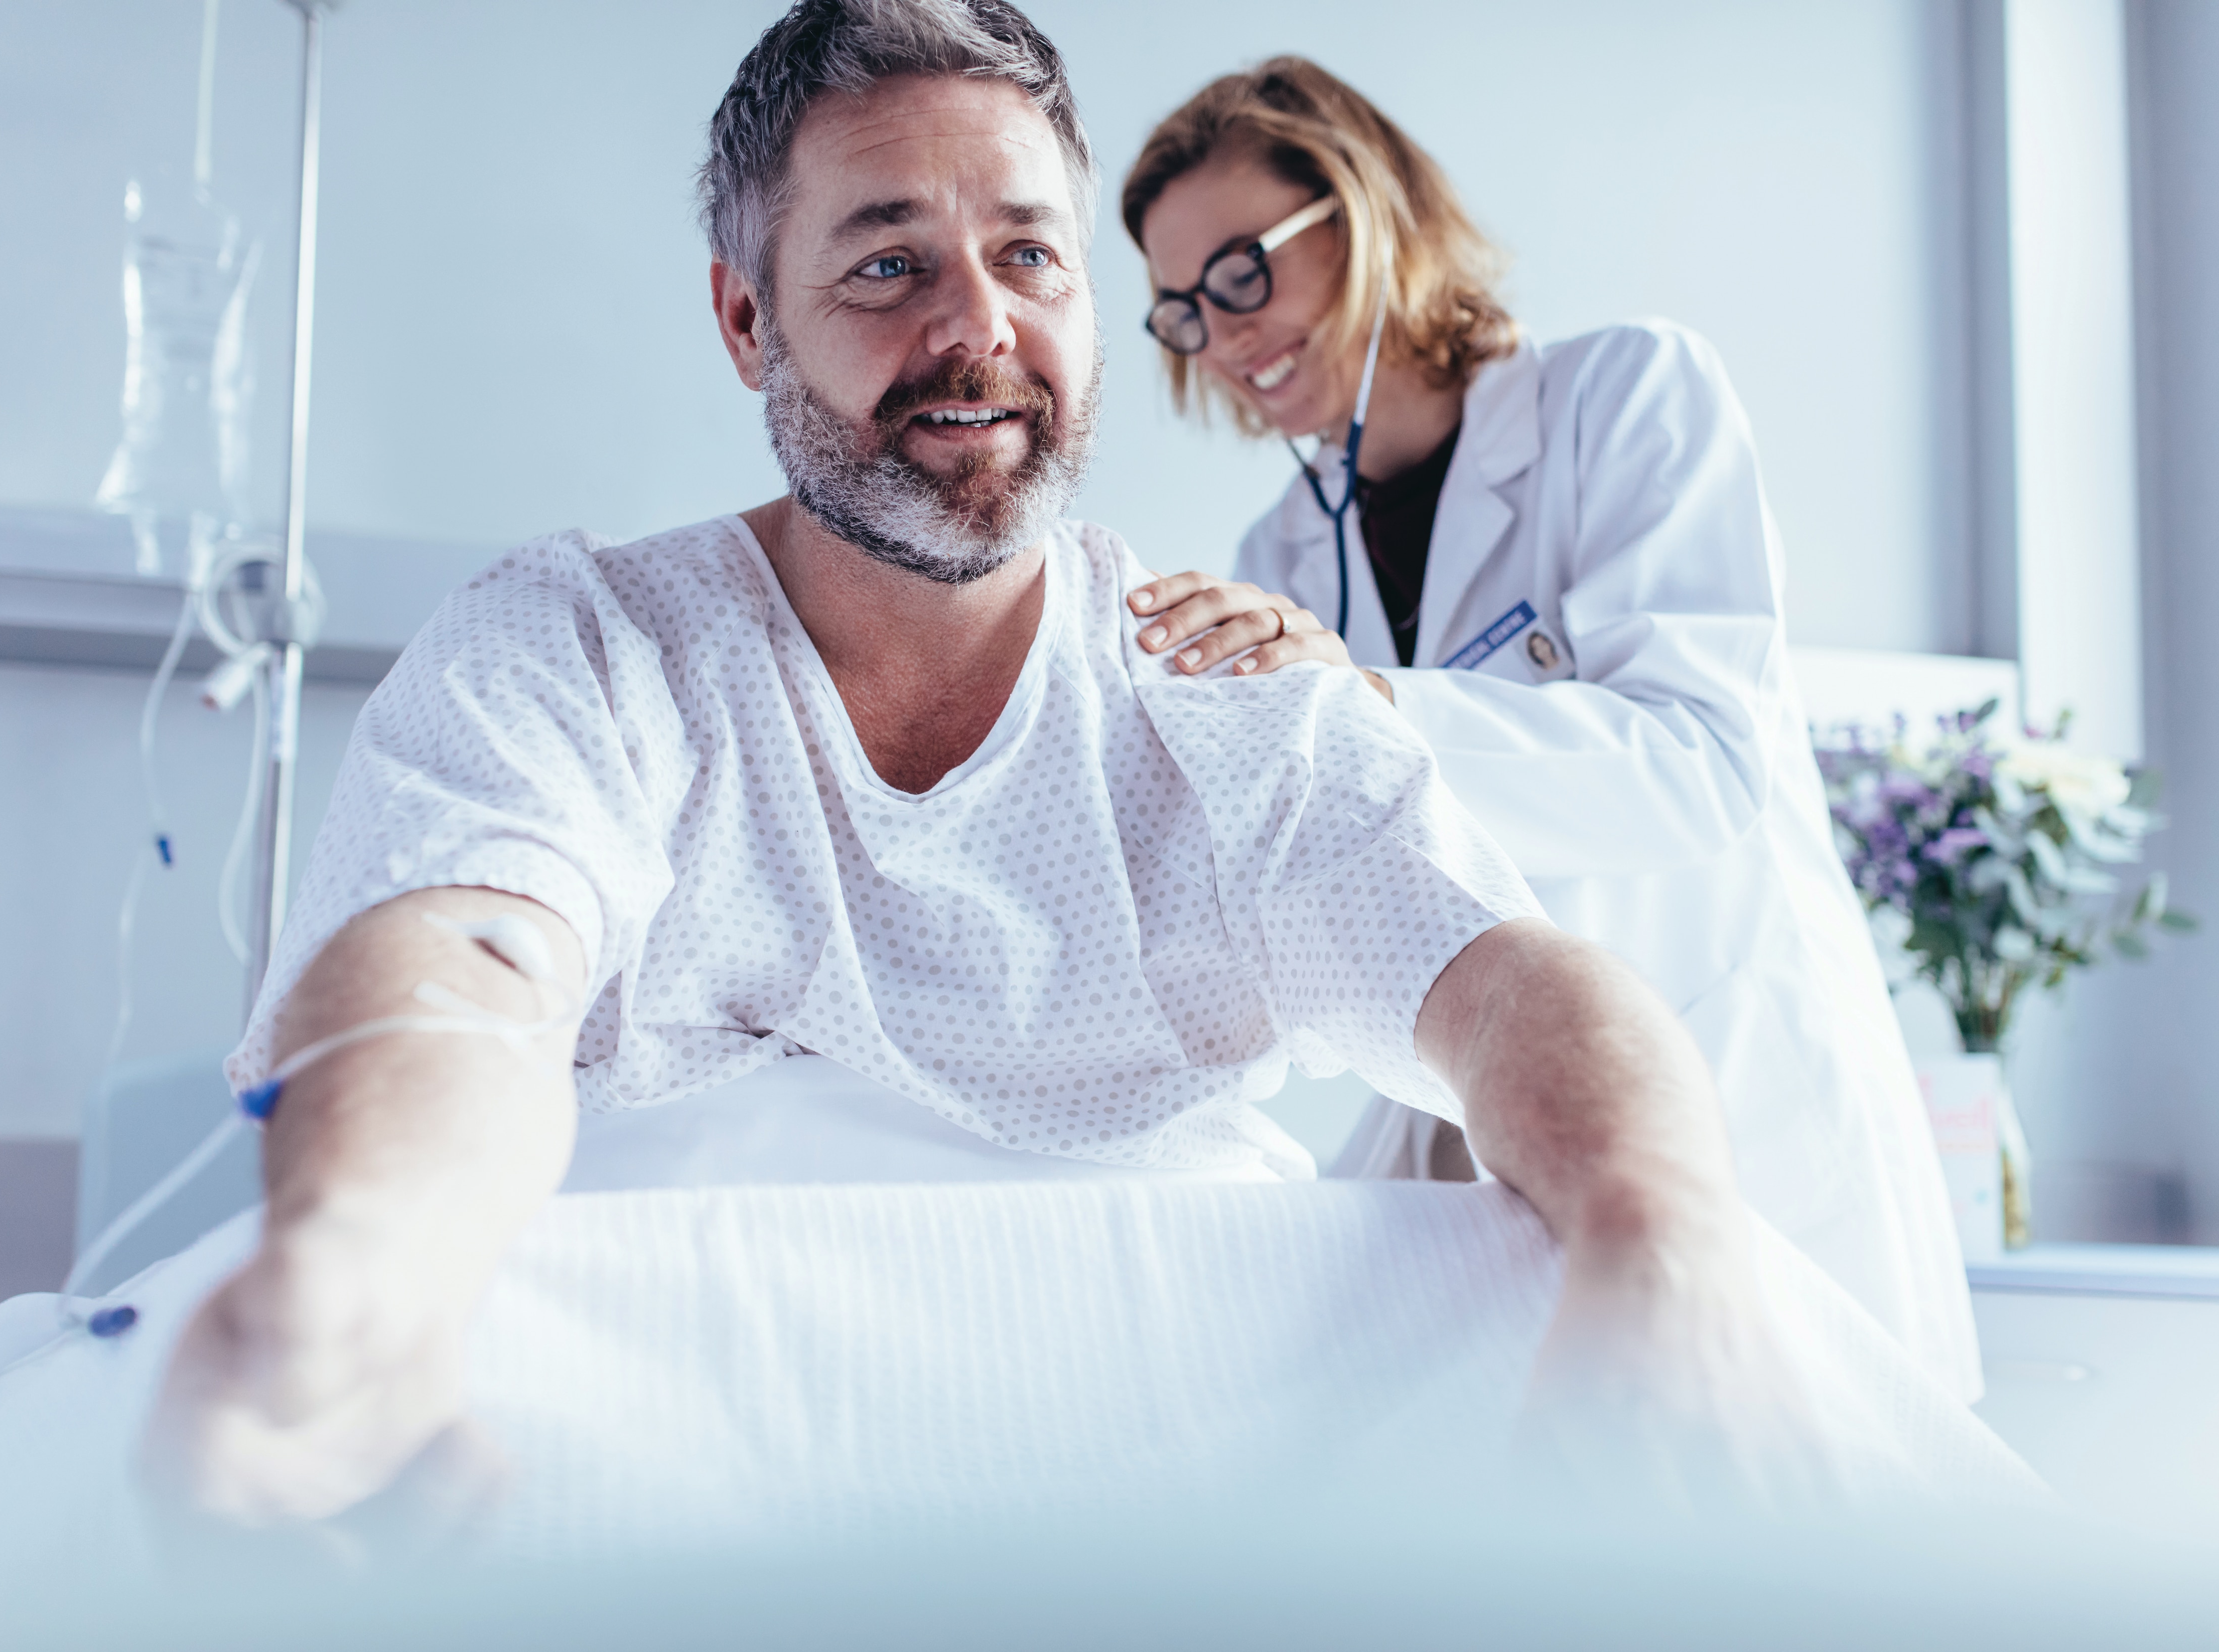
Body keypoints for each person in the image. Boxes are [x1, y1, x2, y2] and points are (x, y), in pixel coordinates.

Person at [136, 0, 1828, 1531]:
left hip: (1180, 1447)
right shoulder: (585, 647)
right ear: (746, 318)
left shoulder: (1221, 682)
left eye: (1031, 260)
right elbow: (458, 971)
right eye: (886, 265)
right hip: (653, 1422)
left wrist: (1654, 1217)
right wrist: (366, 1251)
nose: (980, 330)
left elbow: (1503, 984)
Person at [1118, 60, 1979, 1400]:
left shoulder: (1627, 400)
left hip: (1737, 1102)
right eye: (1183, 309)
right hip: (1504, 1126)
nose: (1225, 338)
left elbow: (1696, 765)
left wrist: (1368, 700)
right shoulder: (1279, 551)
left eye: (1245, 272)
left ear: (1369, 211)